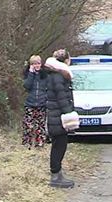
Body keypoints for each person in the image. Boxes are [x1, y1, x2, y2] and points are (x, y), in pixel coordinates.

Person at [42, 49, 76, 188]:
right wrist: (70, 114)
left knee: (59, 145)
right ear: (66, 60)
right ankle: (55, 176)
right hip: (58, 118)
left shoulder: (56, 75)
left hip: (55, 116)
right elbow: (62, 98)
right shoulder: (58, 76)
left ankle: (57, 174)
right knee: (59, 146)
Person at [22, 55, 48, 148]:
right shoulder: (27, 74)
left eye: (38, 63)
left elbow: (48, 88)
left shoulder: (45, 75)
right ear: (30, 65)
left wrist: (46, 98)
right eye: (34, 64)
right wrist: (31, 73)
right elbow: (26, 86)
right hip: (30, 103)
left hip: (41, 103)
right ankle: (27, 143)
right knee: (28, 125)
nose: (36, 65)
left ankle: (40, 143)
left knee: (40, 125)